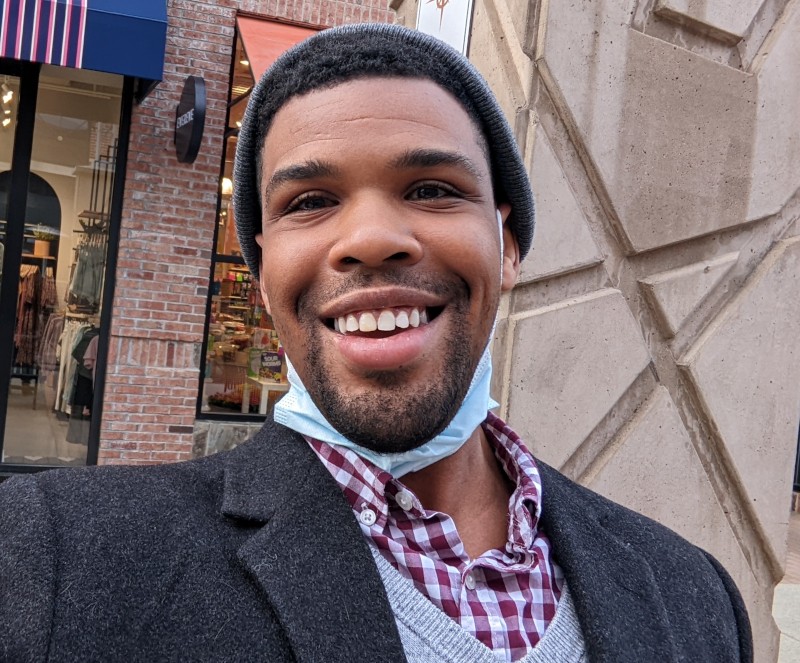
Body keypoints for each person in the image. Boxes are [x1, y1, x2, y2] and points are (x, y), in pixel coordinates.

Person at [0, 23, 751, 663]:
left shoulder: (693, 595)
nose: (369, 238)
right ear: (262, 272)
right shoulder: (52, 558)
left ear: (508, 246)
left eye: (432, 189)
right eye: (311, 201)